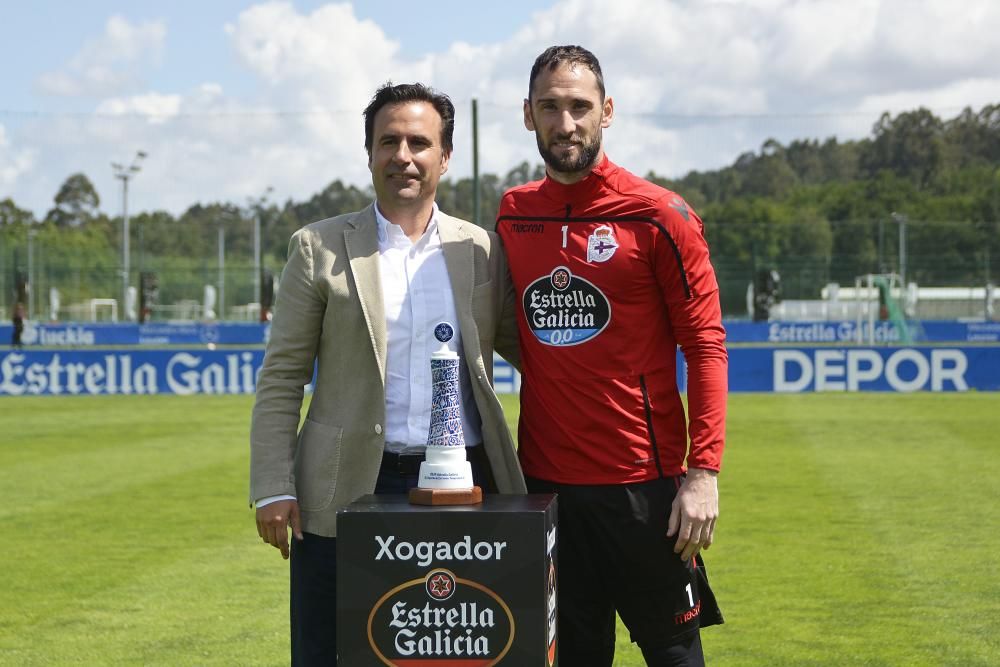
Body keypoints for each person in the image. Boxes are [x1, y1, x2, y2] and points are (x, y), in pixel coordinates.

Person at [250, 82, 526, 666]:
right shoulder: (317, 247)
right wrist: (274, 485)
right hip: (345, 488)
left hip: (463, 487)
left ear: (444, 157)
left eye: (420, 143)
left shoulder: (480, 250)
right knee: (332, 652)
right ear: (370, 152)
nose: (404, 155)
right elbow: (281, 377)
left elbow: (532, 354)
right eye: (389, 141)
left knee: (457, 652)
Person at [496, 45, 728, 666]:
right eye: (549, 107)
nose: (564, 123)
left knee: (675, 655)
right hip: (544, 490)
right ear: (528, 115)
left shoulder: (659, 215)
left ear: (608, 112)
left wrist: (702, 473)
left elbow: (705, 345)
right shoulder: (513, 214)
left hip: (642, 489)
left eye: (579, 106)